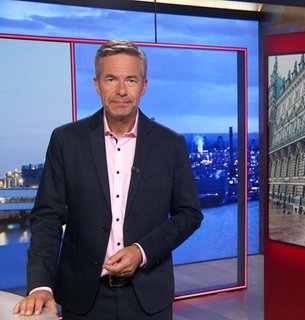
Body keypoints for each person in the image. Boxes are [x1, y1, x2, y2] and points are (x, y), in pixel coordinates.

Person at [13, 39, 204, 319]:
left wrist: (142, 251)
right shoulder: (66, 141)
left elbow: (189, 214)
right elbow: (47, 217)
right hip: (84, 299)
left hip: (149, 299)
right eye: (111, 79)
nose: (121, 91)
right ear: (97, 84)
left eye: (131, 80)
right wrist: (41, 285)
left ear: (144, 86)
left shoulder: (169, 144)